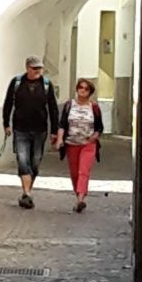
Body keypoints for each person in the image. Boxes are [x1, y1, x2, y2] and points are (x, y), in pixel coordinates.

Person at [2, 56, 60, 209]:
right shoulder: (17, 83)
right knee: (22, 159)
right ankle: (26, 193)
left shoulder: (46, 85)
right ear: (27, 68)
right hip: (20, 128)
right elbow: (8, 103)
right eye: (34, 68)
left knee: (35, 162)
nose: (38, 71)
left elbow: (53, 108)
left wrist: (55, 130)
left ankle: (27, 190)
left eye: (40, 68)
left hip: (40, 129)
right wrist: (6, 124)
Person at [55, 78, 104, 213]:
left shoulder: (94, 108)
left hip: (88, 145)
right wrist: (60, 139)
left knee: (84, 171)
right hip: (72, 144)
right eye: (80, 87)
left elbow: (99, 128)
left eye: (86, 89)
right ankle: (78, 197)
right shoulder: (69, 105)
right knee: (75, 173)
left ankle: (81, 199)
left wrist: (93, 137)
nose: (83, 90)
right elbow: (62, 124)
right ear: (77, 89)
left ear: (90, 92)